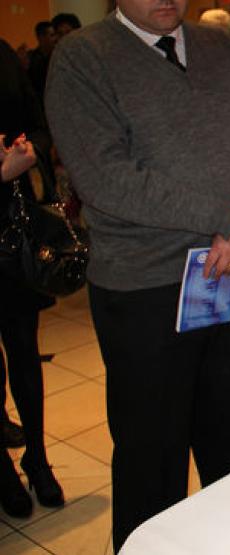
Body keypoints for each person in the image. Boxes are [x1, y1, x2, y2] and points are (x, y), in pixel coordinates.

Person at [44, 0, 230, 548]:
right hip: (146, 290)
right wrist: (227, 217)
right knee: (152, 462)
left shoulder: (218, 45)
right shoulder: (82, 58)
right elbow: (106, 178)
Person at [0, 38, 64, 519]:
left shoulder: (2, 54)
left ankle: (38, 458)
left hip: (14, 226)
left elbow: (39, 121)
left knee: (24, 347)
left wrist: (30, 150)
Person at [26, 22, 57, 102]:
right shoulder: (30, 59)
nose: (56, 38)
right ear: (41, 37)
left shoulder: (57, 56)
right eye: (52, 35)